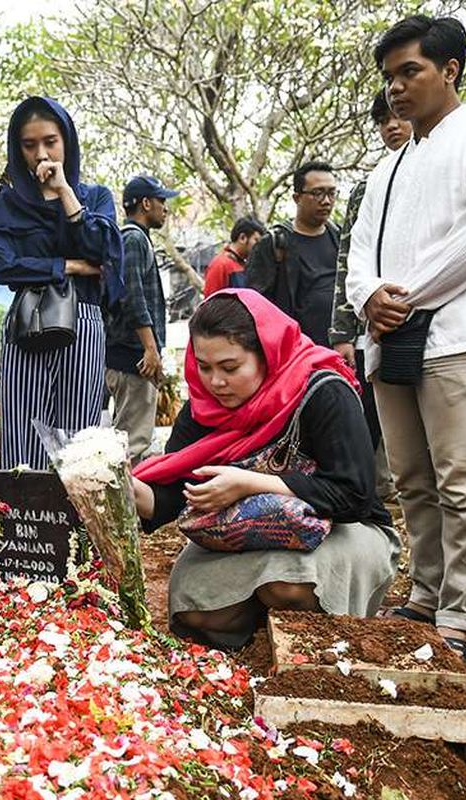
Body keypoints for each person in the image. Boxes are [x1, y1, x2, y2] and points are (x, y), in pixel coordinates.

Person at [346, 15, 466, 659]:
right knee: (412, 477)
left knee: (463, 479)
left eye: (410, 71)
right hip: (389, 338)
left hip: (464, 334)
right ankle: (424, 595)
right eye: (389, 76)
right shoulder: (388, 165)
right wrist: (368, 296)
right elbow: (360, 249)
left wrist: (402, 298)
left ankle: (460, 612)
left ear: (450, 70)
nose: (396, 88)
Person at [131, 290, 399, 651]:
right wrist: (129, 492)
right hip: (243, 536)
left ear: (268, 353)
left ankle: (306, 637)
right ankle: (259, 629)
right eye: (204, 367)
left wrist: (252, 484)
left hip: (343, 529)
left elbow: (354, 495)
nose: (215, 383)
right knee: (195, 610)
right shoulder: (203, 409)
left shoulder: (323, 392)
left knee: (288, 586)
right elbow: (175, 493)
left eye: (230, 368)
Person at [0, 96, 124, 470]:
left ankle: (77, 526)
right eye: (29, 145)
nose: (41, 153)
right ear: (18, 149)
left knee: (80, 440)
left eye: (50, 142)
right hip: (28, 320)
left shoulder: (95, 197)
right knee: (22, 436)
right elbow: (4, 266)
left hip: (84, 323)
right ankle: (21, 525)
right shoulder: (7, 206)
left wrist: (65, 193)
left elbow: (105, 251)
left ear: (67, 142)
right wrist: (69, 265)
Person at [329, 90, 413, 500]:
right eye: (383, 120)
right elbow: (348, 258)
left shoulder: (443, 168)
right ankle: (360, 495)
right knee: (369, 419)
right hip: (372, 326)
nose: (392, 126)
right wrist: (342, 332)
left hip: (434, 321)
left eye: (398, 116)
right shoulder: (369, 185)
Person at [105, 175, 177, 463]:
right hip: (133, 358)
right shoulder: (133, 239)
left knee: (129, 441)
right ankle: (122, 509)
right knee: (132, 446)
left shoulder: (136, 239)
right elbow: (132, 297)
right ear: (145, 203)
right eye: (161, 201)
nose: (165, 208)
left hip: (131, 356)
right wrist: (149, 348)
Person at [245, 162, 341, 347]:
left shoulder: (339, 237)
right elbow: (256, 304)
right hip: (296, 351)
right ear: (297, 198)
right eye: (317, 193)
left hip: (339, 349)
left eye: (331, 193)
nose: (326, 201)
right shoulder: (274, 243)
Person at [203, 216, 268, 297]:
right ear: (242, 238)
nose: (259, 247)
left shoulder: (244, 264)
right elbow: (210, 305)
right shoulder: (220, 265)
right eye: (256, 240)